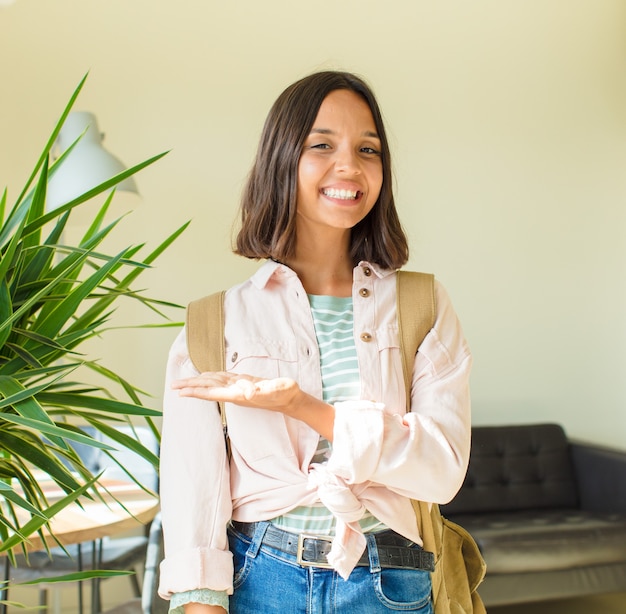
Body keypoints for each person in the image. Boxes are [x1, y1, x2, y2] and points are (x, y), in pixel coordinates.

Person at [158, 70, 472, 613]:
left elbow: (441, 471)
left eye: (368, 149)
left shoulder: (422, 305)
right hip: (260, 579)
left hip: (389, 582)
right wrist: (200, 602)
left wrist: (303, 407)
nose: (349, 166)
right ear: (282, 159)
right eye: (322, 145)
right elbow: (194, 489)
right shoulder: (216, 322)